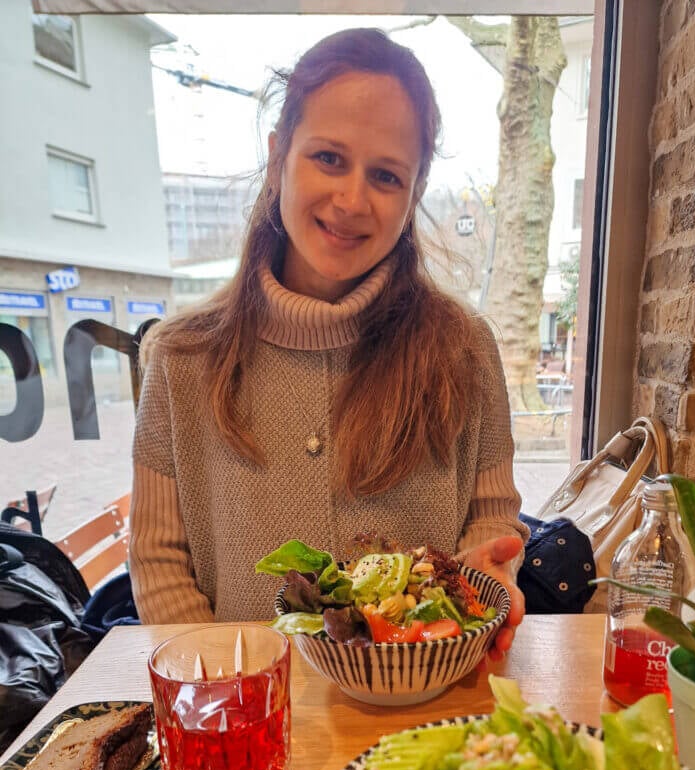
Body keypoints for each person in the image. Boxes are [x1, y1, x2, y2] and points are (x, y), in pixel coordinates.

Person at [130, 27, 529, 656]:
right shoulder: (181, 357)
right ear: (277, 158)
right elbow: (159, 561)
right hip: (247, 702)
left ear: (415, 192)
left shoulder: (465, 349)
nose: (351, 199)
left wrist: (485, 576)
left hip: (422, 689)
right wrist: (223, 683)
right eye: (329, 159)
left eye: (386, 175)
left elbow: (491, 514)